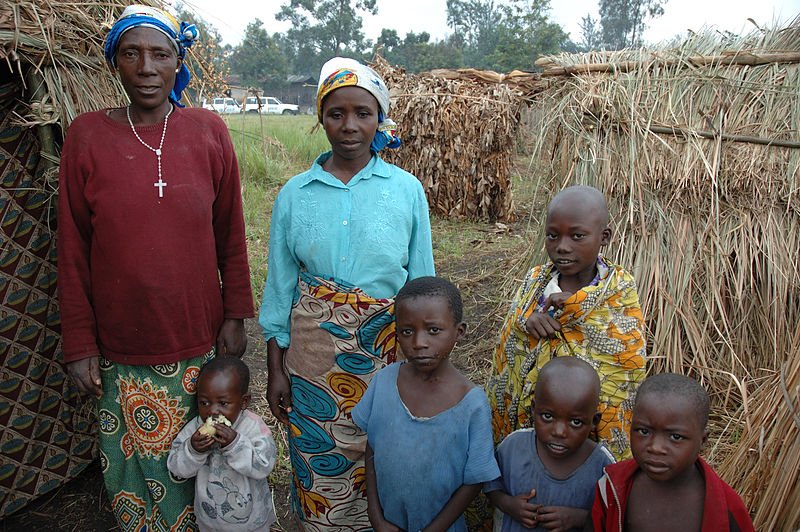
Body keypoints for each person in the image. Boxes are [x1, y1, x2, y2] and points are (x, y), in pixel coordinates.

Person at [57, 5, 254, 530]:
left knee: (206, 467)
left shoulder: (208, 131)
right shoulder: (86, 137)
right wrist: (79, 342)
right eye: (132, 54)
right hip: (120, 345)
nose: (146, 66)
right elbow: (73, 247)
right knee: (134, 476)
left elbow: (230, 231)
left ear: (176, 63)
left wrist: (235, 313)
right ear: (114, 63)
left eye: (160, 54)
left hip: (197, 339)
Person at [259, 57, 435, 528]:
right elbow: (279, 288)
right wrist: (276, 370)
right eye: (337, 113)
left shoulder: (406, 190)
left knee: (384, 457)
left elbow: (421, 286)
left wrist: (424, 363)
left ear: (380, 118)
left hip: (386, 354)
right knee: (318, 462)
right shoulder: (295, 195)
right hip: (311, 358)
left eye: (364, 113)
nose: (350, 125)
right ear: (320, 117)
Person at [487, 185, 646, 461]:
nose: (562, 246)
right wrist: (528, 323)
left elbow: (624, 363)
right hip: (531, 422)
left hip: (584, 431)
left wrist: (575, 308)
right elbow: (511, 340)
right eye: (553, 235)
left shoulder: (618, 289)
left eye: (577, 236)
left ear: (604, 237)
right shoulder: (535, 281)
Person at [352, 276, 500, 531]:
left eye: (433, 330)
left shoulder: (472, 403)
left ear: (459, 332)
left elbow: (474, 480)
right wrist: (376, 517)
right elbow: (372, 449)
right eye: (407, 332)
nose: (419, 343)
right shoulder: (385, 381)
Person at [591, 373, 754, 531]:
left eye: (675, 437)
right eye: (643, 431)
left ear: (702, 441)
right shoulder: (612, 487)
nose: (655, 447)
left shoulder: (725, 507)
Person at [485, 357, 614, 531]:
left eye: (575, 422)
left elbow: (612, 518)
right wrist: (509, 505)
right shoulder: (513, 447)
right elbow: (491, 485)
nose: (559, 432)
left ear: (594, 421)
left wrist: (580, 519)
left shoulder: (603, 467)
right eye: (547, 416)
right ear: (533, 410)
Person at [167, 357, 277, 531]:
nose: (213, 411)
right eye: (204, 402)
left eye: (223, 403)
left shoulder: (253, 426)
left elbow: (264, 465)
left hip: (252, 523)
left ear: (244, 402)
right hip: (210, 522)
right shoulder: (195, 427)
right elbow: (176, 467)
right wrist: (193, 450)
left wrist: (236, 444)